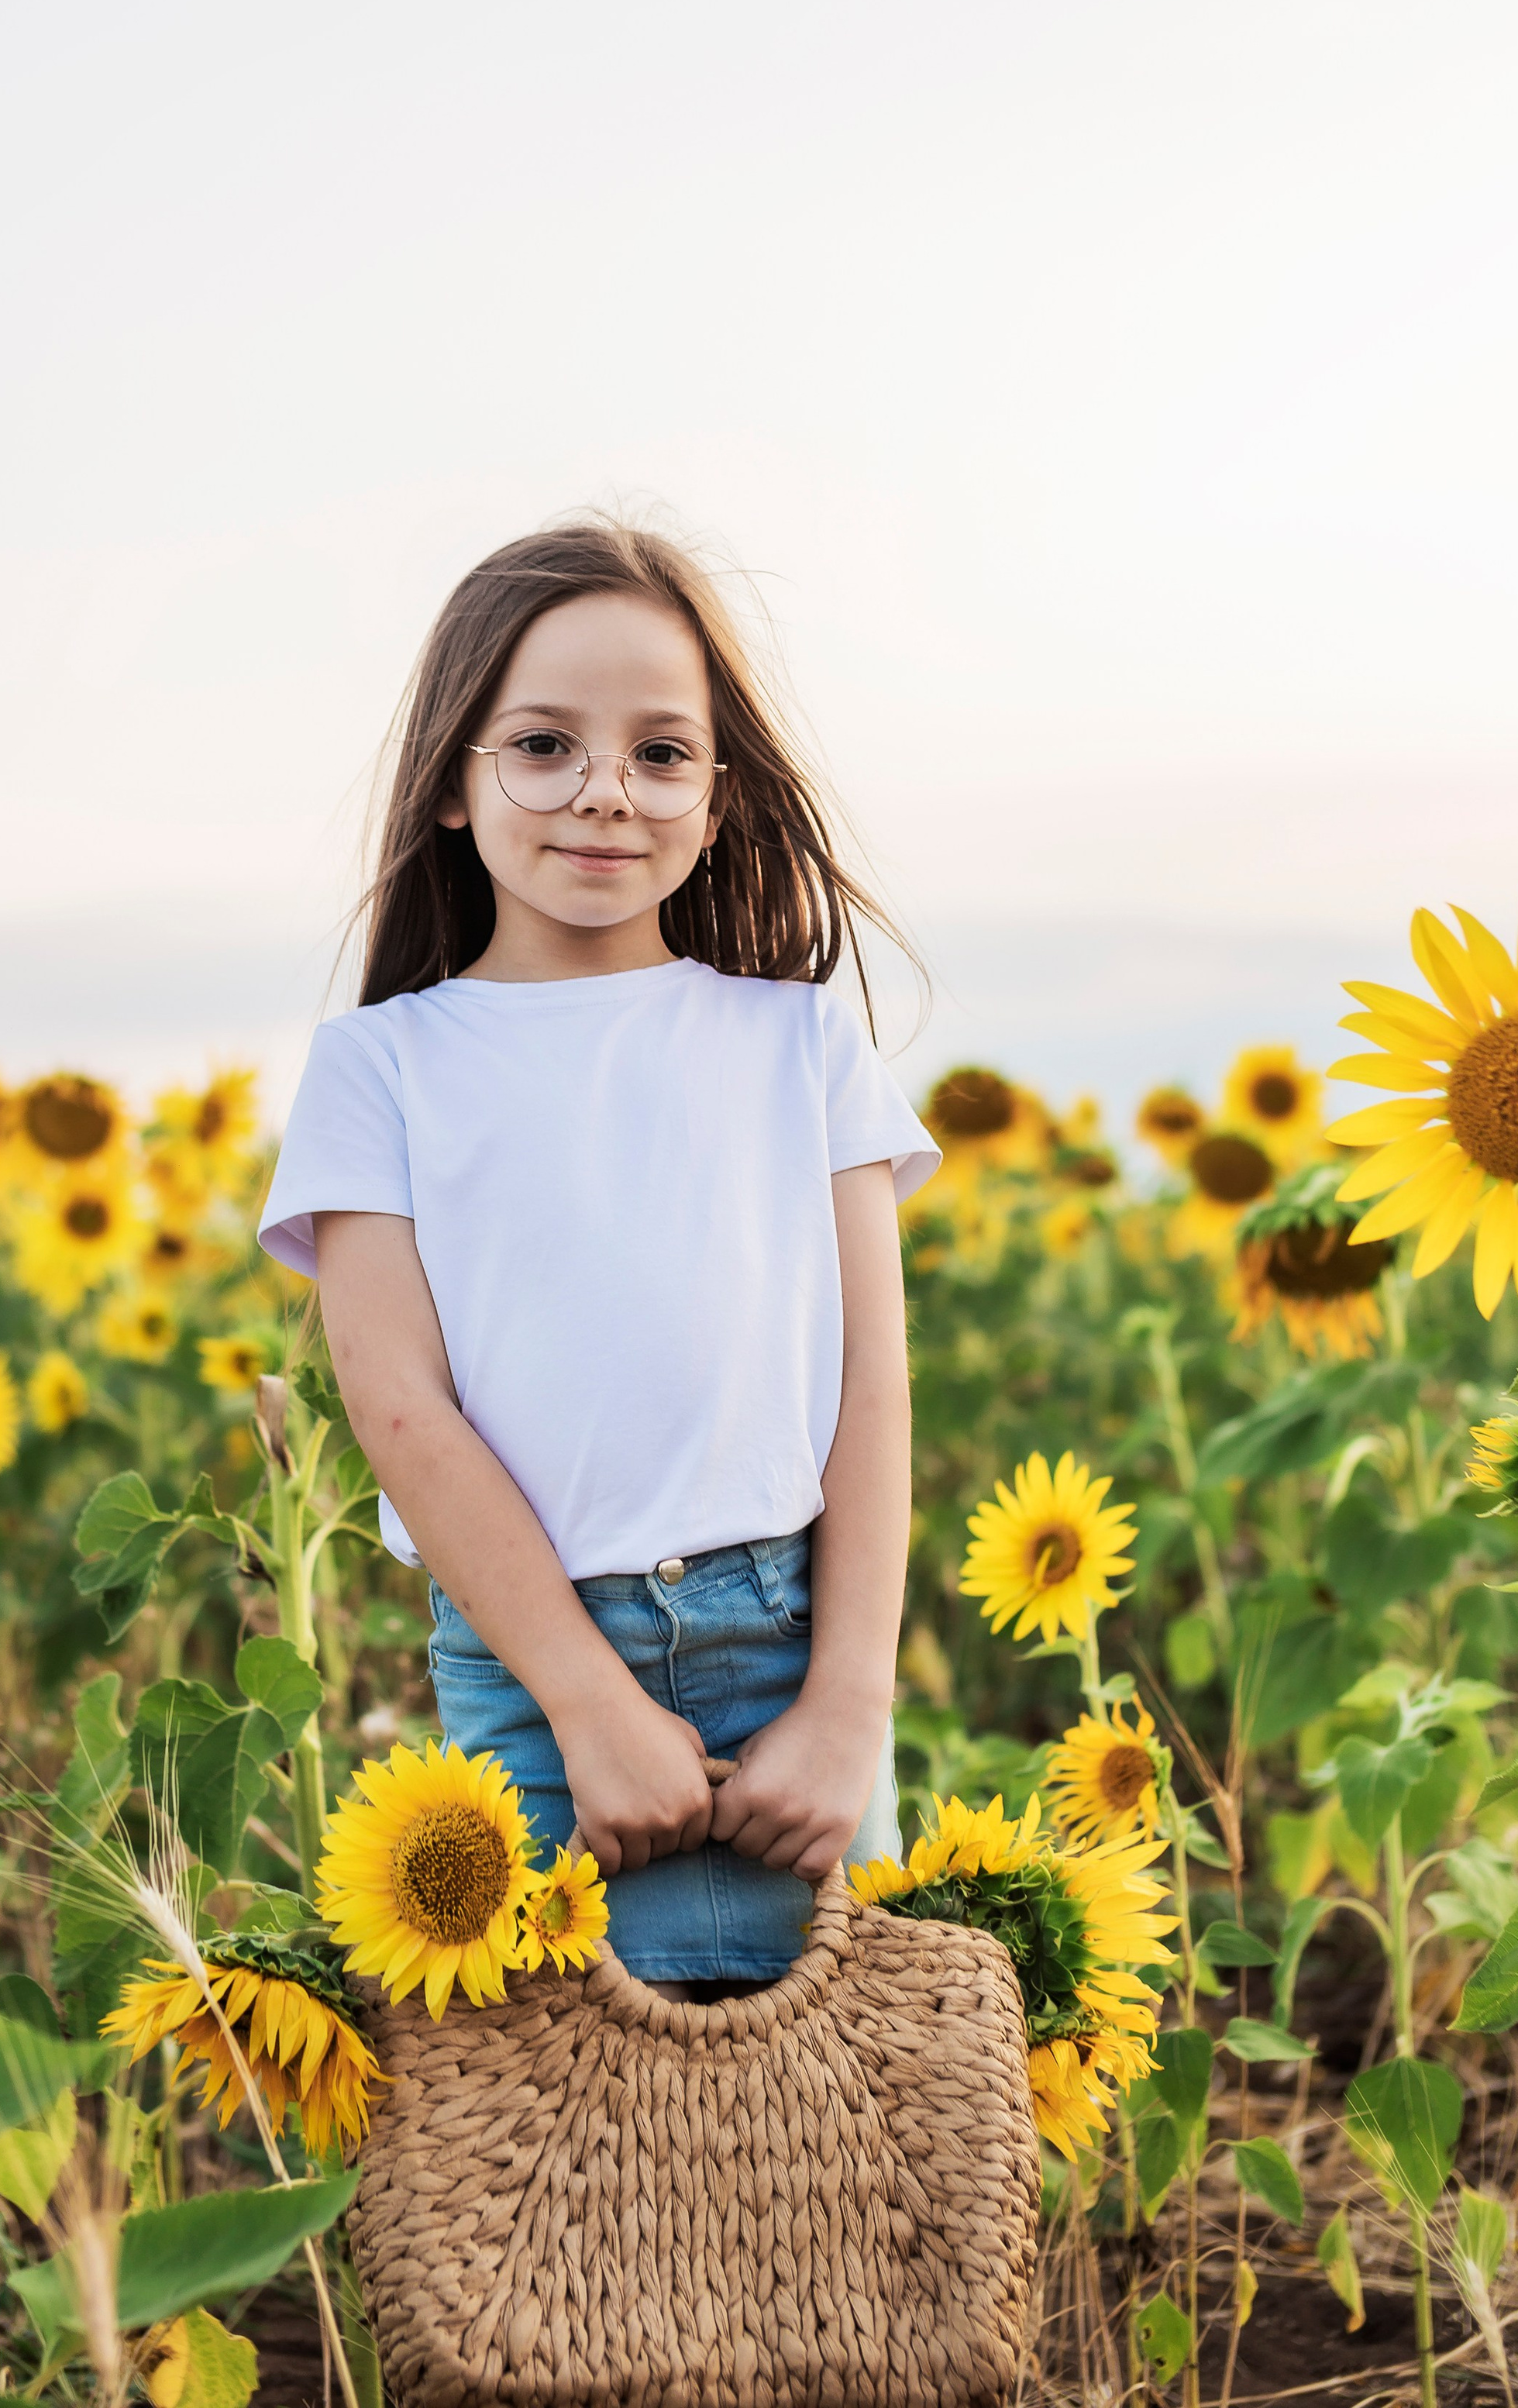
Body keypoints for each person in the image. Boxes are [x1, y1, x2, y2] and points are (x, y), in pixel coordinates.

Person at [258, 518, 938, 1989]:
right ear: (454, 776)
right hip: (531, 1667)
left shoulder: (802, 1041)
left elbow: (872, 1393)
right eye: (545, 744)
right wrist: (584, 1698)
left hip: (791, 1649)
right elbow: (401, 1415)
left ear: (716, 794)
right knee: (559, 2157)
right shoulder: (380, 1069)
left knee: (828, 2136)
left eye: (660, 753)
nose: (604, 794)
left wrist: (848, 1705)